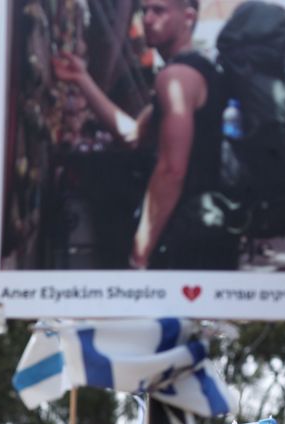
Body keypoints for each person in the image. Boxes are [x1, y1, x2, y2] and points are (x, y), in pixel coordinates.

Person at [51, 0, 235, 271]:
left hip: (189, 239)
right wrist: (81, 78)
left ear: (188, 17)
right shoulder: (191, 71)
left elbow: (171, 170)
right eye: (144, 10)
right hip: (208, 229)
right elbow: (132, 135)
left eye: (158, 10)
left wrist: (140, 253)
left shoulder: (177, 78)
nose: (147, 19)